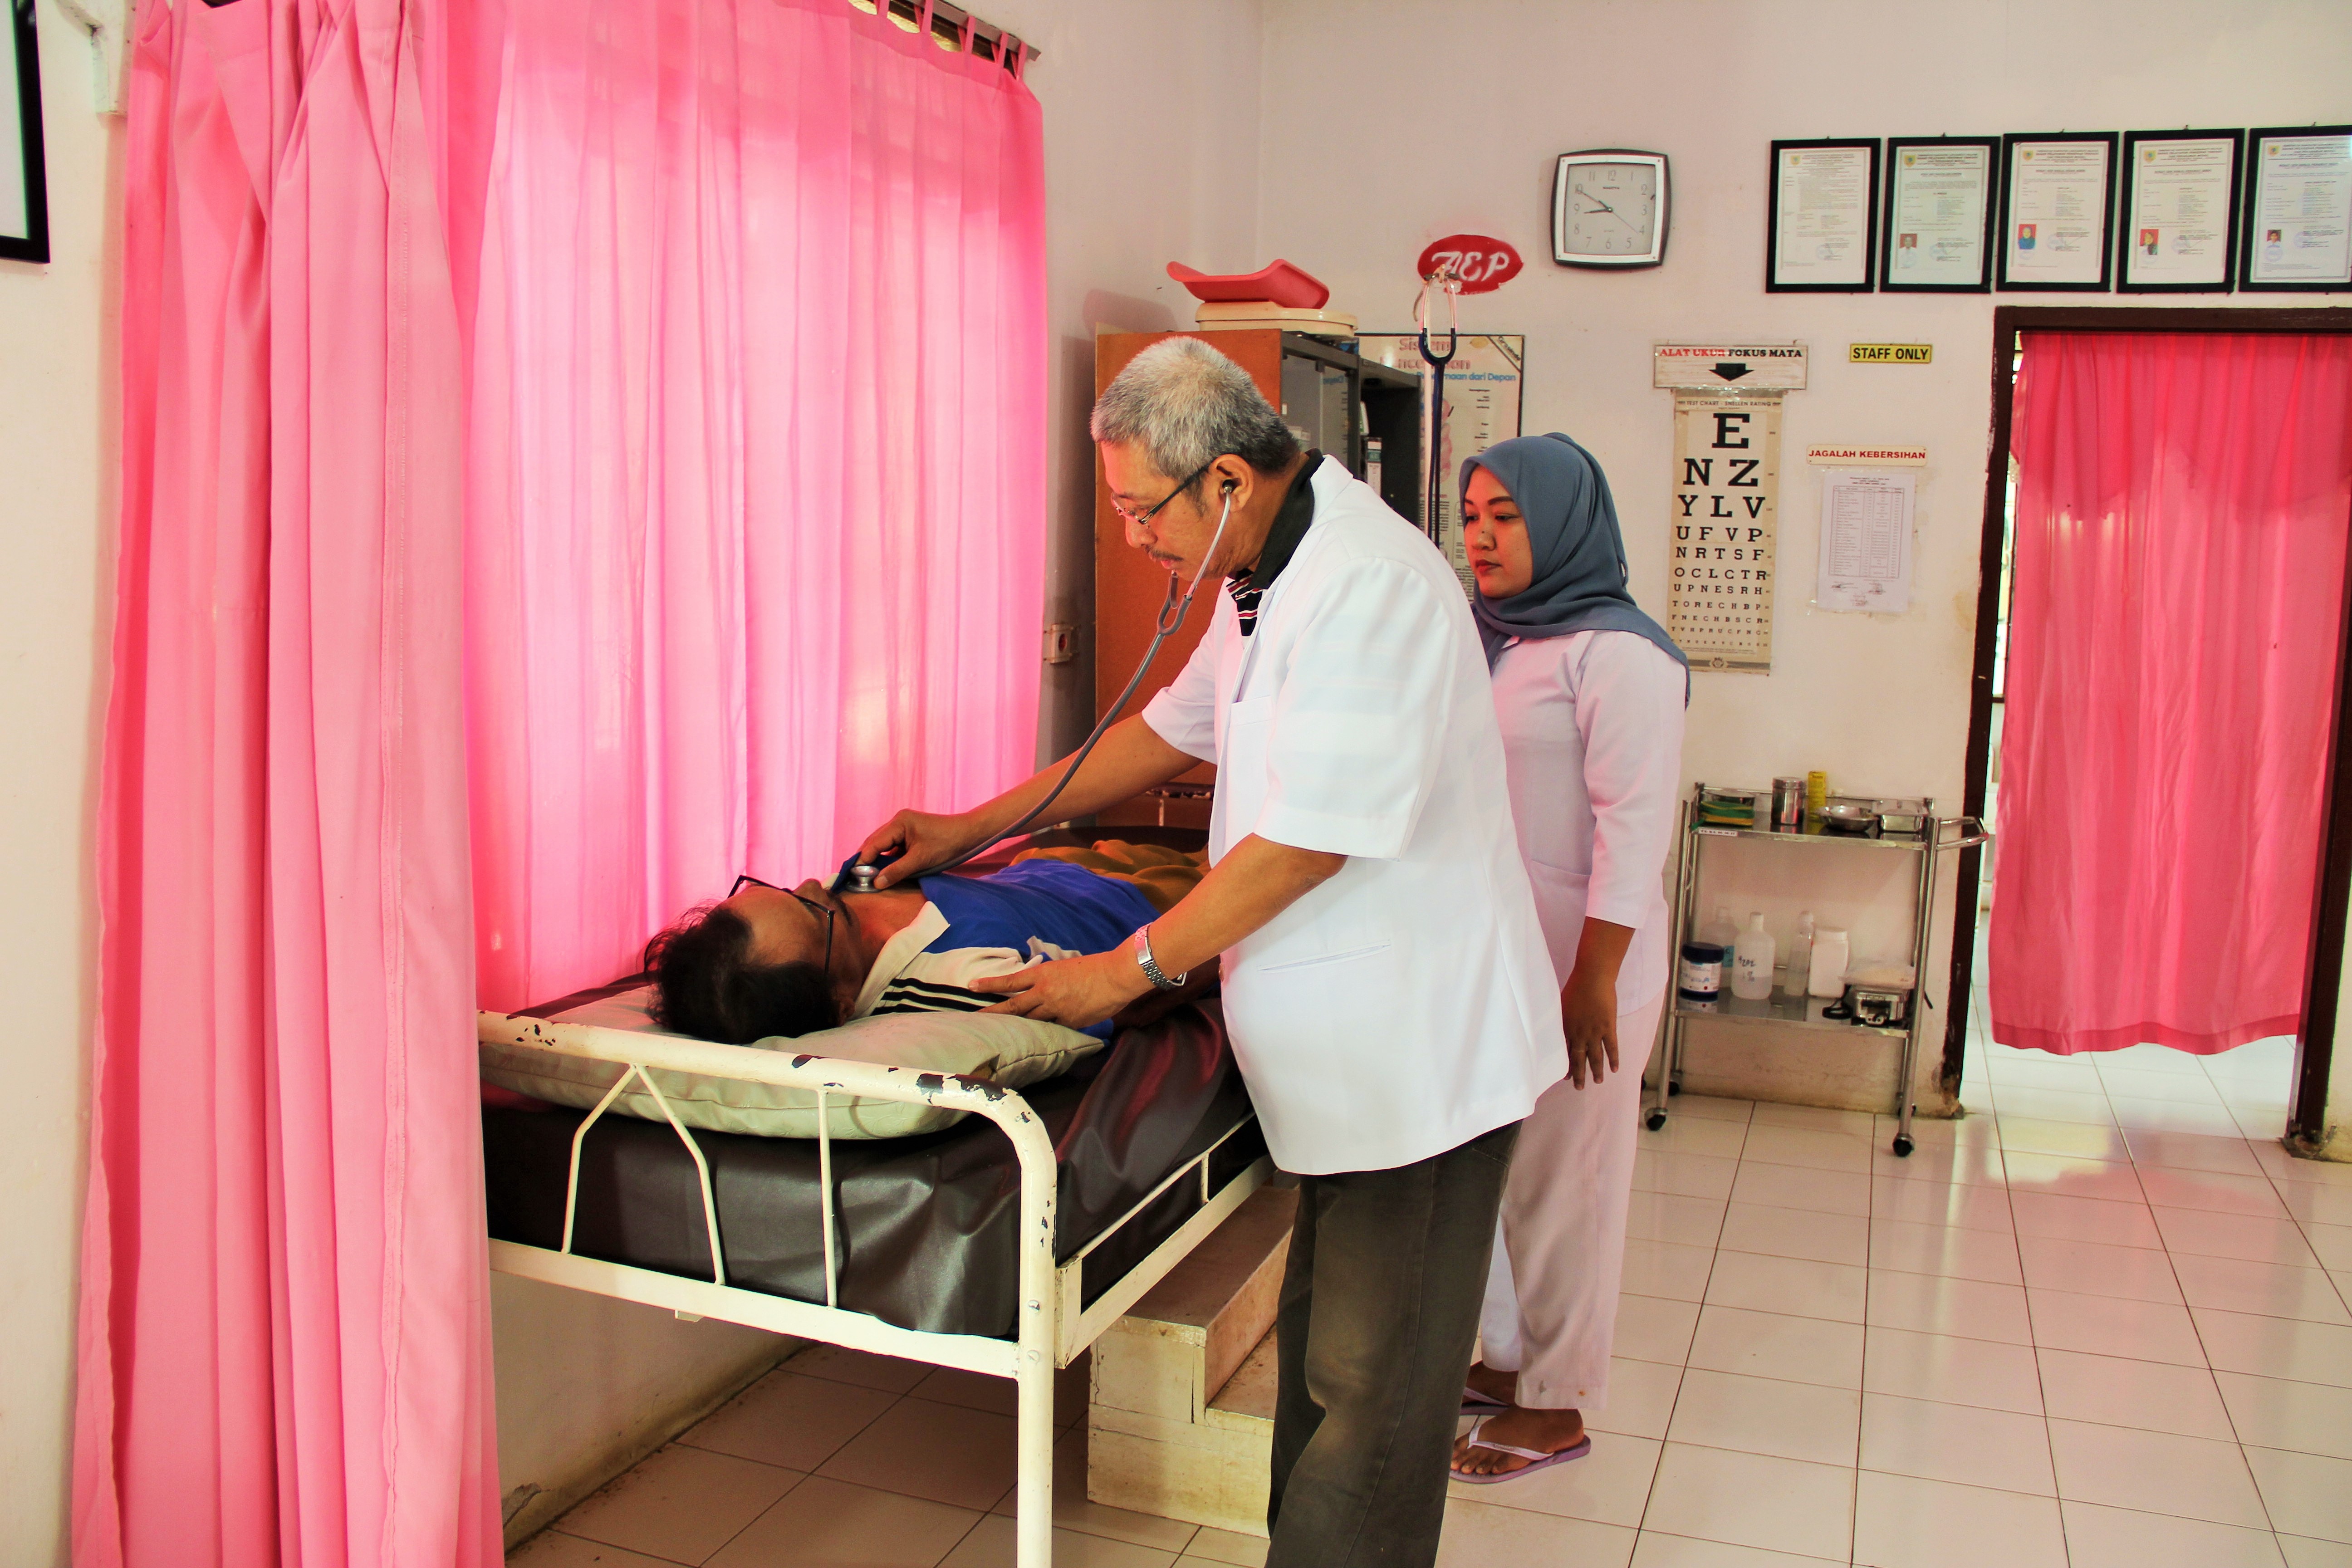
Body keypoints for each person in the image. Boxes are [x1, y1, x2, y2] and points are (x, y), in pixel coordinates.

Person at [855, 336, 1564, 1568]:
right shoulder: (1262, 569)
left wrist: (1125, 969)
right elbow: (1163, 733)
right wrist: (971, 825)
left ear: (1226, 478)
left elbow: (1304, 843)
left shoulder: (1369, 583)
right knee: (1331, 1375)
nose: (1133, 536)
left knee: (1373, 1397)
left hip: (1418, 1059)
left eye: (1143, 508)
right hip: (1341, 1063)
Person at [1446, 434, 1688, 1483]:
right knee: (1510, 1174)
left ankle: (1557, 1404)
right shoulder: (1493, 637)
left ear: (1562, 520)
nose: (1483, 537)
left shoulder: (1621, 653)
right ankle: (1513, 1361)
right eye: (1471, 516)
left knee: (1572, 1183)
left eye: (1507, 516)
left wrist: (1592, 979)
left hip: (1585, 966)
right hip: (1501, 955)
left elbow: (1633, 832)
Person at [642, 840, 1210, 1044]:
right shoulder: (958, 982)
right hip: (1149, 909)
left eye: (785, 891)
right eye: (812, 911)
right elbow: (1126, 999)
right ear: (841, 1003)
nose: (816, 885)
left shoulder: (842, 905)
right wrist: (1226, 954)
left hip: (1051, 867)